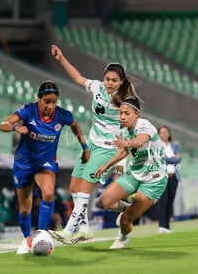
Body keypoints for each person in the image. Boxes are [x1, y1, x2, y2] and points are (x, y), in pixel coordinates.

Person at [49, 45, 139, 244]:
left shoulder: (125, 101)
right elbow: (78, 77)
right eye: (107, 79)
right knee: (74, 186)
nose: (109, 83)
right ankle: (85, 228)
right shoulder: (97, 87)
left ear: (121, 82)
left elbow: (133, 126)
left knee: (83, 189)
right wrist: (61, 58)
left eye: (114, 80)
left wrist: (124, 153)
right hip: (90, 145)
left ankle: (68, 230)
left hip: (107, 149)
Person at [0, 80, 89, 254]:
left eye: (54, 102)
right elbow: (3, 125)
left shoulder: (62, 115)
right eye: (46, 101)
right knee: (25, 207)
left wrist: (84, 148)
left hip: (45, 162)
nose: (50, 105)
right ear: (39, 98)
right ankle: (26, 239)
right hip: (24, 163)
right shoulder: (28, 110)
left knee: (48, 193)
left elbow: (75, 126)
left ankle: (41, 233)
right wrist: (16, 127)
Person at [95, 97, 168, 249]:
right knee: (103, 202)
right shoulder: (122, 131)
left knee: (125, 220)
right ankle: (126, 207)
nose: (122, 116)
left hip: (154, 179)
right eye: (121, 113)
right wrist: (107, 165)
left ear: (137, 114)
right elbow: (124, 152)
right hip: (134, 174)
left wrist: (126, 143)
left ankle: (122, 238)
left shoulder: (144, 125)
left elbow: (140, 141)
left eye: (126, 113)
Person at [156, 126, 182, 233]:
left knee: (170, 200)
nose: (164, 134)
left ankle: (167, 225)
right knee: (163, 201)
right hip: (162, 176)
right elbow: (159, 159)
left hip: (173, 176)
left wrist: (167, 159)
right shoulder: (157, 145)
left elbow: (179, 159)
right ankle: (161, 226)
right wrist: (172, 159)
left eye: (166, 132)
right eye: (162, 132)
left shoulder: (175, 145)